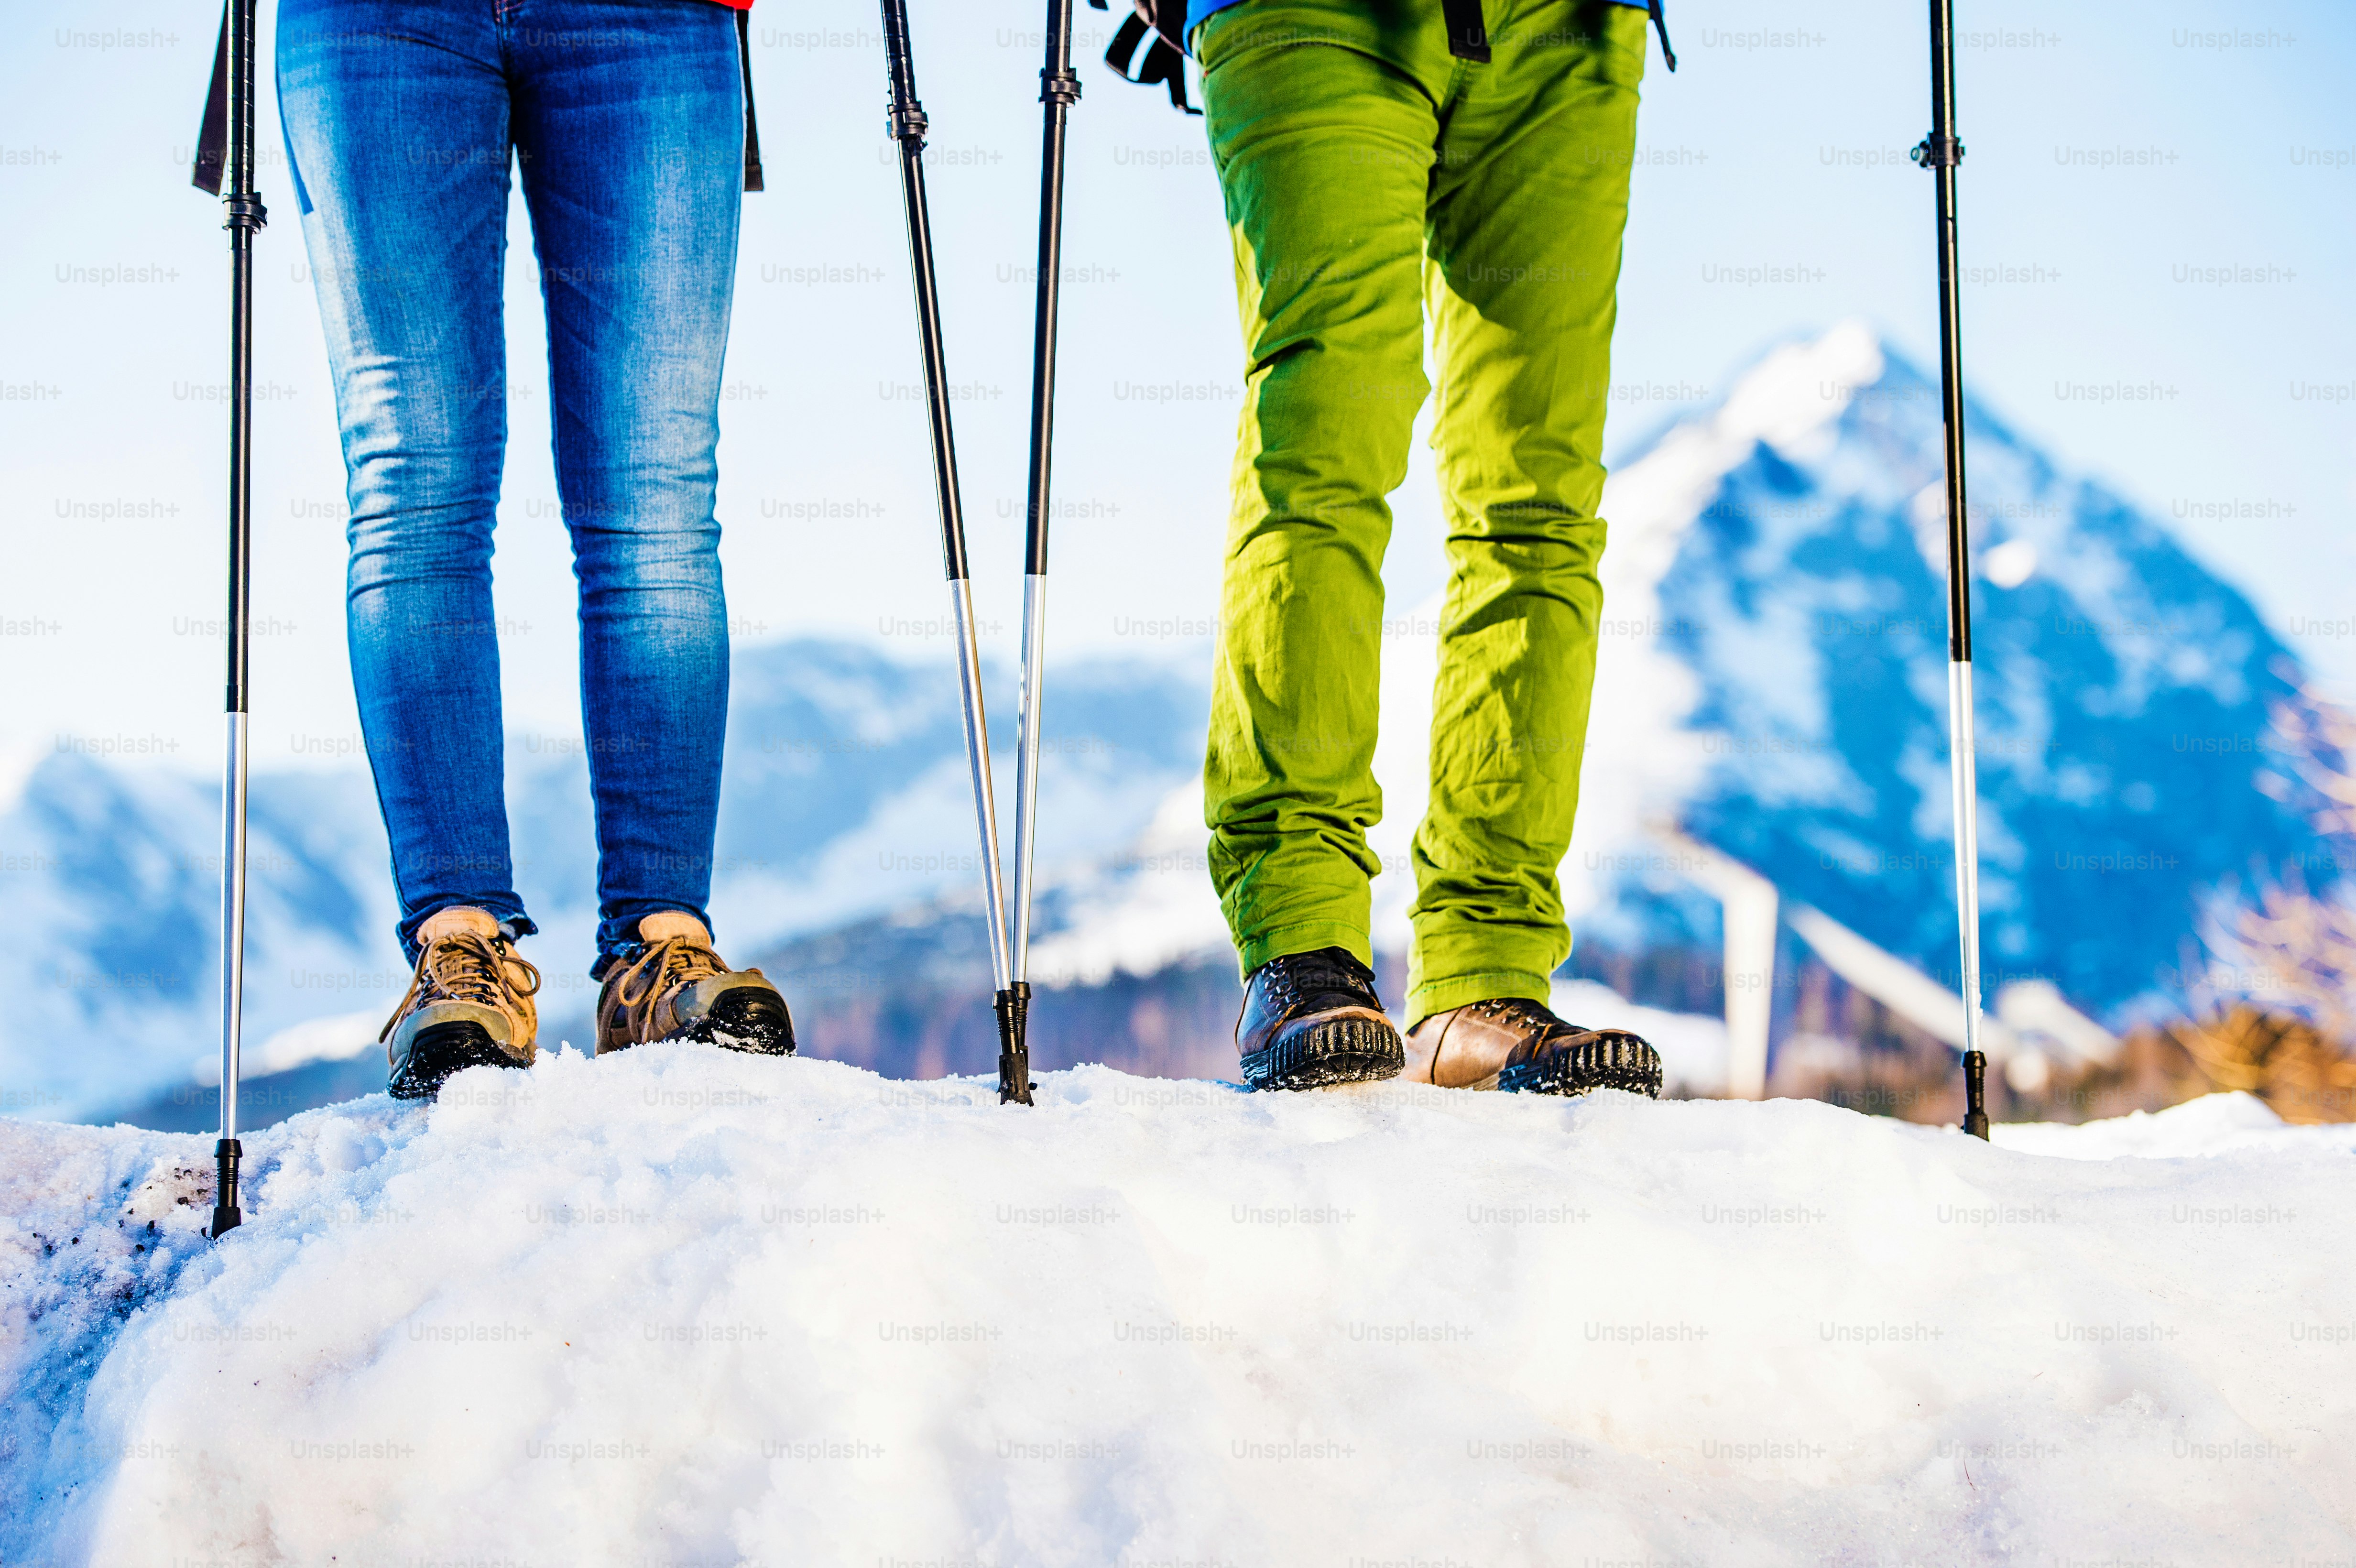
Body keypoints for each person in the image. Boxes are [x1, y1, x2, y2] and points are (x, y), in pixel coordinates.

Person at [275, 0, 793, 1098]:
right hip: (378, 20)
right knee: (417, 484)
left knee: (652, 495)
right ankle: (457, 948)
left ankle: (660, 948)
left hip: (653, 17)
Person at [1185, 0, 1669, 1095]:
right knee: (1325, 444)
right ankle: (1301, 943)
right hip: (1308, 10)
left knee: (1538, 496)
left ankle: (1483, 978)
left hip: (1570, 28)